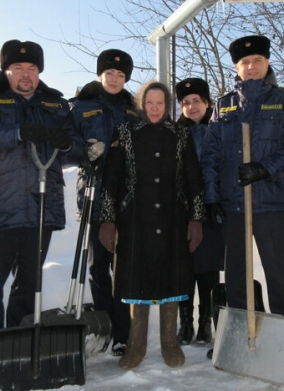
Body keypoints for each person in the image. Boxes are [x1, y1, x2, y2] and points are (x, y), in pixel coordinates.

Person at [0, 39, 81, 384]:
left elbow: (73, 148)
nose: (26, 75)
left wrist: (68, 144)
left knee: (29, 284)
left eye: (32, 69)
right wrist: (17, 131)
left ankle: (17, 353)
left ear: (39, 72)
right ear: (6, 70)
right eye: (19, 68)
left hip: (40, 206)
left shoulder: (55, 103)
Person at [202, 35, 284, 374]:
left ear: (266, 64)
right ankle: (238, 339)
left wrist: (265, 167)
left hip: (272, 205)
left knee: (280, 277)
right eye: (244, 63)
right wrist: (212, 197)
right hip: (235, 206)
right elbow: (211, 155)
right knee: (235, 277)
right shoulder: (224, 105)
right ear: (237, 67)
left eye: (257, 61)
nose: (251, 67)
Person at [98, 80, 205, 369]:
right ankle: (137, 343)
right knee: (137, 278)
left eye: (160, 103)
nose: (155, 109)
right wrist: (107, 220)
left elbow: (194, 179)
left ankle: (170, 341)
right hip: (134, 220)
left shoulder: (181, 134)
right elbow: (110, 181)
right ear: (141, 105)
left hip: (173, 219)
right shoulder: (125, 133)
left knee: (171, 278)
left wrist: (196, 218)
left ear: (167, 105)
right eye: (149, 103)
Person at [70, 49, 137, 356]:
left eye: (121, 75)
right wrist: (83, 152)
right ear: (100, 74)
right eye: (110, 73)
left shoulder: (133, 109)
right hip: (95, 195)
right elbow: (63, 147)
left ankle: (123, 331)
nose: (114, 79)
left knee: (122, 266)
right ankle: (105, 322)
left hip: (126, 198)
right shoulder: (81, 105)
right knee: (98, 265)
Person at [175, 78, 225, 346]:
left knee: (207, 268)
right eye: (185, 102)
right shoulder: (173, 132)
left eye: (196, 101)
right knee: (184, 268)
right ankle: (185, 322)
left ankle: (206, 321)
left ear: (207, 103)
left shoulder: (219, 129)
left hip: (211, 207)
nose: (191, 107)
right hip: (181, 212)